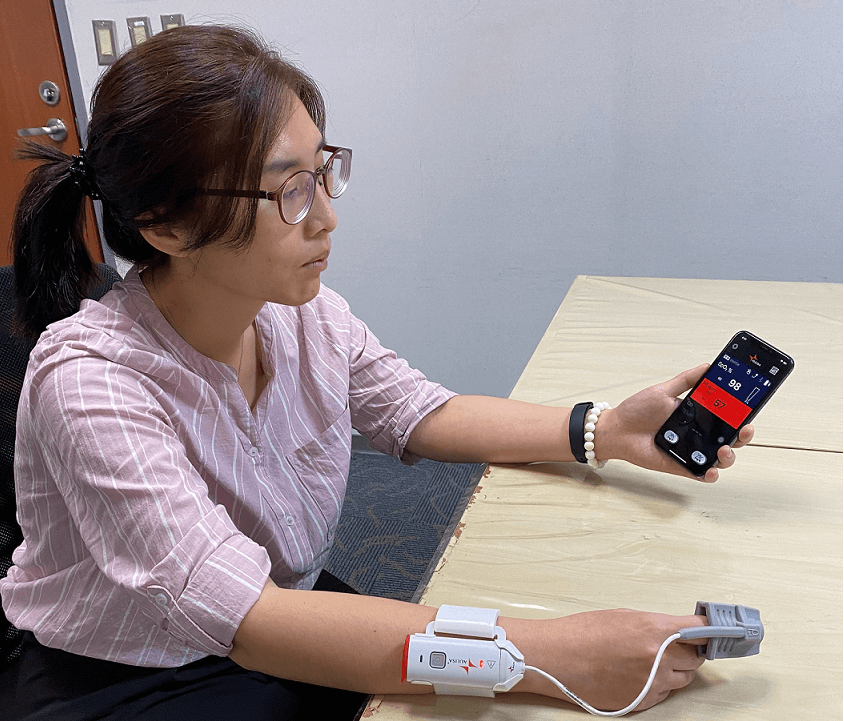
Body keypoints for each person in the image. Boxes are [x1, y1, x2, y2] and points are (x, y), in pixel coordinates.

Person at [0, 24, 754, 720]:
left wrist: (604, 430)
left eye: (322, 171)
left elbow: (421, 413)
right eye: (288, 190)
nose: (326, 216)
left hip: (273, 608)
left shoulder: (300, 314)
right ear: (166, 225)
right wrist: (550, 655)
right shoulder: (92, 383)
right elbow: (252, 622)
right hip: (132, 671)